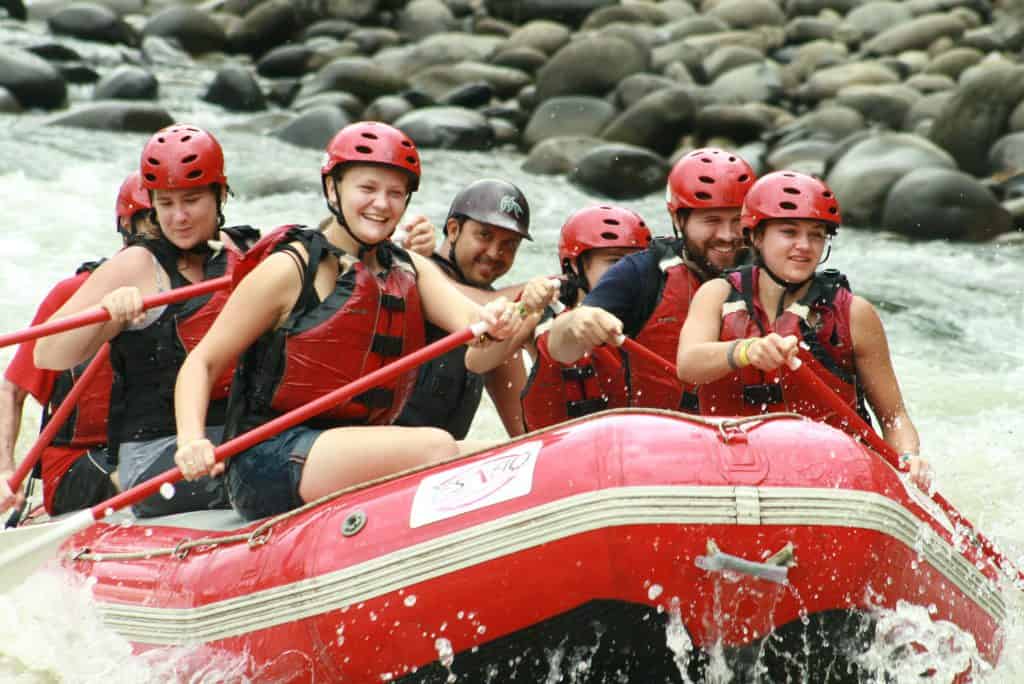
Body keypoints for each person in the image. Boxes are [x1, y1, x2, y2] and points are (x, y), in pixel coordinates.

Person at [172, 122, 521, 522]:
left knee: (502, 459)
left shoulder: (408, 268)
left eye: (395, 193)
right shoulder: (290, 269)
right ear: (333, 189)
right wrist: (190, 440)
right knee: (437, 447)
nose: (382, 204)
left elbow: (471, 321)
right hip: (267, 459)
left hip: (353, 447)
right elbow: (202, 363)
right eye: (367, 189)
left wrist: (496, 319)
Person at [35, 124, 259, 517]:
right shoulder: (136, 264)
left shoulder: (245, 252)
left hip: (234, 434)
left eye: (191, 200)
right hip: (158, 453)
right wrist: (106, 315)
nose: (179, 217)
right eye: (165, 203)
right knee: (263, 468)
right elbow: (48, 353)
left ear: (220, 195)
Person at [675, 170, 930, 488]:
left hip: (828, 476)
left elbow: (894, 417)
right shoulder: (716, 294)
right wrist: (745, 350)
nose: (804, 246)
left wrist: (908, 457)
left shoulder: (854, 314)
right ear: (755, 236)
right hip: (732, 468)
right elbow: (688, 364)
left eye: (816, 235)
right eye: (789, 232)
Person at [546, 148, 756, 412]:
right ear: (678, 219)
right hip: (661, 438)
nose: (727, 235)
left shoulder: (772, 270)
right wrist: (574, 323)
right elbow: (562, 350)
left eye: (737, 221)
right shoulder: (641, 273)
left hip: (752, 437)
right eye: (711, 220)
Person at [0, 172, 156, 518]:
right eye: (151, 225)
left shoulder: (191, 291)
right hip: (77, 462)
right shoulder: (73, 295)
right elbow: (11, 390)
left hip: (150, 446)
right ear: (128, 229)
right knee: (140, 474)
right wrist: (4, 470)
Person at [466, 205, 653, 432]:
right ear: (575, 265)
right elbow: (476, 362)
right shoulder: (543, 307)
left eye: (637, 264)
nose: (628, 274)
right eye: (615, 262)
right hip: (556, 450)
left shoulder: (653, 309)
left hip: (629, 446)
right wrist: (525, 309)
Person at [394, 178, 534, 439]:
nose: (494, 253)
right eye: (485, 235)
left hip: (441, 467)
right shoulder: (409, 274)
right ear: (454, 229)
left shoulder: (502, 321)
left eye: (509, 245)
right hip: (378, 456)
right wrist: (536, 295)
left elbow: (525, 429)